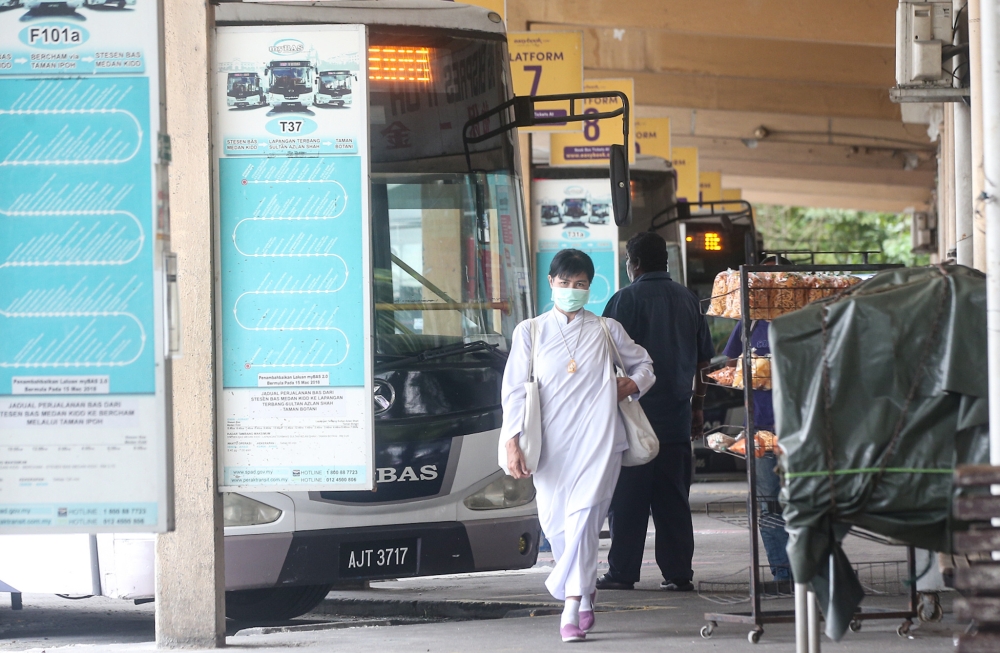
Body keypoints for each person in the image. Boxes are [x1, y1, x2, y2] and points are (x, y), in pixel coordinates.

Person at [501, 249, 655, 643]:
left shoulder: (607, 328)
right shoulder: (530, 331)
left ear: (591, 287)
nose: (572, 290)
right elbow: (514, 392)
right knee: (558, 526)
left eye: (581, 284)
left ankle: (570, 606)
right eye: (565, 283)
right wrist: (512, 441)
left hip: (600, 441)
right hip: (549, 446)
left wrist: (632, 384)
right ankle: (586, 592)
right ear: (551, 282)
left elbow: (645, 366)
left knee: (585, 518)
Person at [597, 232, 715, 592]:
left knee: (628, 501)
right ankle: (679, 573)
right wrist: (697, 407)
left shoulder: (623, 300)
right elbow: (703, 362)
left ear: (633, 264)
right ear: (665, 262)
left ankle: (623, 572)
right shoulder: (688, 300)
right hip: (676, 421)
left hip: (633, 422)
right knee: (674, 502)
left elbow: (603, 359)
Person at [721, 255, 791, 586]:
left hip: (804, 430)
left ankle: (811, 571)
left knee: (807, 502)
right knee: (769, 503)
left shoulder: (808, 317)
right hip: (762, 426)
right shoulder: (751, 322)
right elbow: (732, 363)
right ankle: (783, 572)